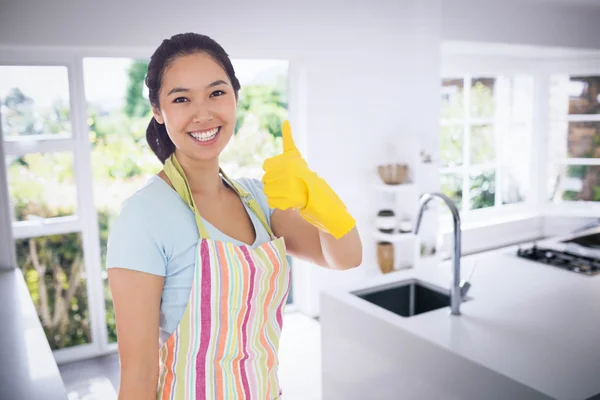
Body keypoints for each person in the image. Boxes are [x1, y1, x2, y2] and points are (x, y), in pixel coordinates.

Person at [106, 32, 362, 400]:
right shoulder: (144, 216)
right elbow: (138, 373)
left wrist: (319, 199)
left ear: (235, 98)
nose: (203, 113)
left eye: (216, 92)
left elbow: (346, 257)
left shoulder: (258, 198)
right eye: (181, 99)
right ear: (158, 112)